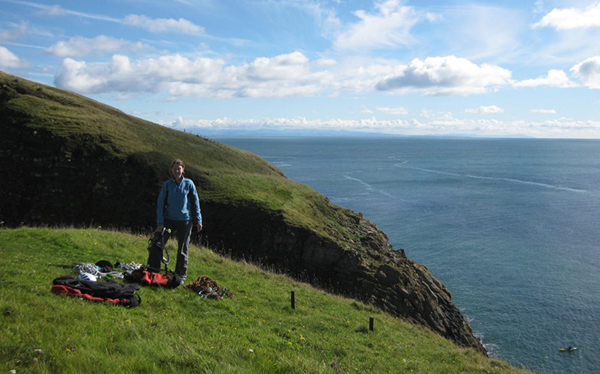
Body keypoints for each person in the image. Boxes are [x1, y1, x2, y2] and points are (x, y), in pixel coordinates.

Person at [154, 159, 202, 283]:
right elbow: (160, 203)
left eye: (179, 168)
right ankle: (153, 271)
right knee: (158, 243)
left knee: (182, 249)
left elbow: (195, 202)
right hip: (169, 220)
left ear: (183, 170)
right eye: (175, 168)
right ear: (171, 170)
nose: (177, 170)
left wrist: (198, 220)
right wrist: (160, 223)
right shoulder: (167, 185)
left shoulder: (189, 184)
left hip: (185, 221)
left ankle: (180, 276)